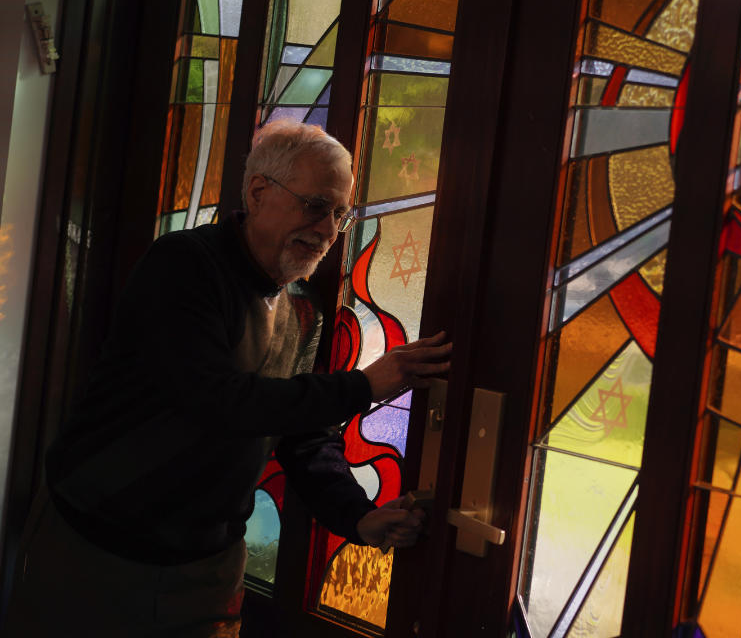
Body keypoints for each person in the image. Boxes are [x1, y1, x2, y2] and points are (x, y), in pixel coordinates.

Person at [2, 120, 451, 637]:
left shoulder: (305, 313)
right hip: (95, 550)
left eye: (340, 215)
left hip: (207, 570)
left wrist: (356, 516)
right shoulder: (182, 265)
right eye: (315, 206)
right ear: (259, 191)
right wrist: (363, 386)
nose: (328, 231)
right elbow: (216, 401)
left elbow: (303, 438)